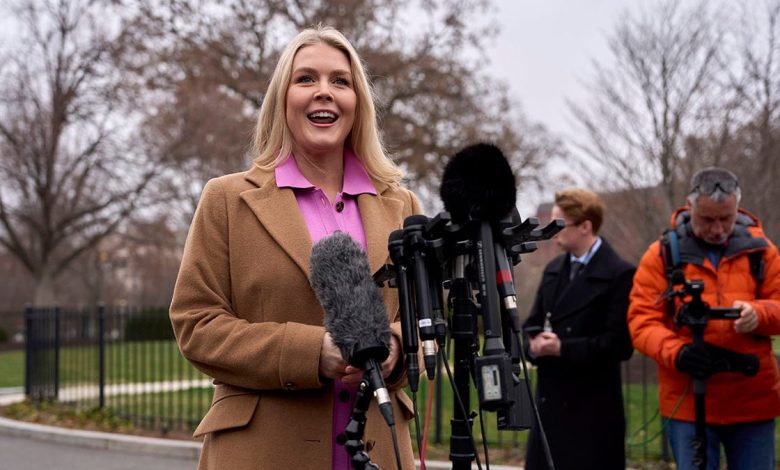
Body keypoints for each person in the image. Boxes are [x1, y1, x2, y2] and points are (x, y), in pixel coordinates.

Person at [169, 26, 420, 470]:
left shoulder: (403, 205)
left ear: (357, 103)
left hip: (381, 446)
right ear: (282, 100)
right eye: (306, 79)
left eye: (340, 81)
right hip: (262, 451)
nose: (324, 92)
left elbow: (424, 322)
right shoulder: (226, 199)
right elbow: (197, 325)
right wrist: (310, 353)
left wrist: (394, 349)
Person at [628, 167, 780, 470]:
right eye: (708, 219)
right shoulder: (662, 255)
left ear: (737, 207)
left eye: (726, 218)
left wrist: (759, 314)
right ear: (690, 205)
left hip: (752, 402)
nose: (717, 229)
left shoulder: (762, 252)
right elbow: (641, 321)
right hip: (688, 400)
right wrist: (678, 352)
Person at [523, 188, 635, 470]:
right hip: (551, 408)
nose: (554, 231)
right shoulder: (554, 270)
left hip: (593, 412)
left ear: (585, 226)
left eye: (561, 224)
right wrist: (534, 345)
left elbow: (618, 344)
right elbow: (532, 324)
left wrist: (562, 348)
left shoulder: (619, 274)